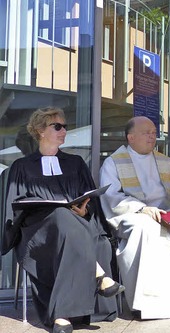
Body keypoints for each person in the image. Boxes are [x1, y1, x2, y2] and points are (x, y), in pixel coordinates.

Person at [3, 107, 121, 333]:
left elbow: (89, 200)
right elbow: (14, 208)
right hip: (38, 232)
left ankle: (62, 316)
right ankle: (99, 275)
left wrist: (85, 211)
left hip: (75, 224)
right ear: (40, 130)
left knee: (74, 224)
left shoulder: (75, 163)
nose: (63, 130)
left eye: (65, 126)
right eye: (57, 126)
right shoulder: (22, 166)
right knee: (59, 214)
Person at [99, 116, 170, 319]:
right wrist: (142, 209)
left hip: (167, 213)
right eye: (146, 133)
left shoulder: (165, 161)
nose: (152, 136)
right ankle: (148, 305)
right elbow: (112, 197)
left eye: (153, 132)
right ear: (130, 137)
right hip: (133, 215)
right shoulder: (113, 162)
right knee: (147, 229)